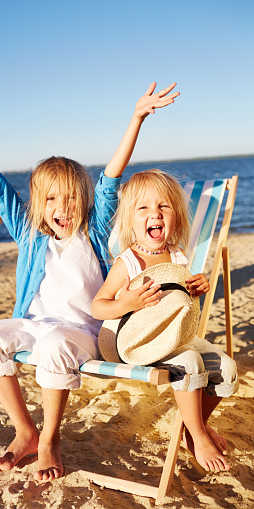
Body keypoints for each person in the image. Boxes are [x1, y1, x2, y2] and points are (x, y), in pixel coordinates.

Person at [0, 83, 180, 482]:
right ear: (40, 204)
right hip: (34, 325)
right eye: (52, 200)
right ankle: (25, 432)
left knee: (56, 344)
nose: (62, 208)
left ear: (85, 201)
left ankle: (49, 440)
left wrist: (137, 117)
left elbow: (112, 175)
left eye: (71, 198)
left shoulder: (92, 230)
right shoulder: (30, 235)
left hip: (82, 332)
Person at [91, 169, 238, 473]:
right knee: (191, 363)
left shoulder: (178, 257)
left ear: (176, 217)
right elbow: (97, 307)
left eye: (163, 206)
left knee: (227, 367)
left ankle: (194, 426)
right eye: (143, 207)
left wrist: (197, 288)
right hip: (135, 342)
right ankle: (197, 435)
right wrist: (125, 302)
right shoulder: (128, 262)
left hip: (172, 335)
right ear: (130, 220)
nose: (154, 214)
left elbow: (181, 303)